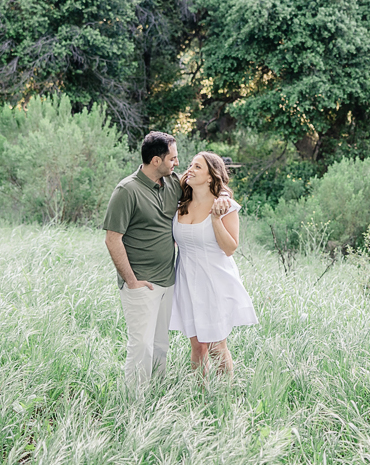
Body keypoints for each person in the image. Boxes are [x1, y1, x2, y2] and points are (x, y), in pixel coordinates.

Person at [103, 132, 228, 387]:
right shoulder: (126, 191)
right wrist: (131, 280)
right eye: (173, 158)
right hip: (140, 283)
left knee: (161, 344)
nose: (178, 164)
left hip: (169, 281)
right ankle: (134, 403)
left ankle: (157, 398)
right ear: (156, 160)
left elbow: (206, 188)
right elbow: (112, 239)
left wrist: (224, 198)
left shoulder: (172, 183)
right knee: (141, 346)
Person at [169, 151, 258, 377]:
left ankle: (225, 398)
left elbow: (230, 248)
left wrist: (215, 218)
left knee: (217, 347)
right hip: (187, 280)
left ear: (210, 177)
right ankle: (202, 398)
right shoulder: (179, 204)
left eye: (198, 166)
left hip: (214, 281)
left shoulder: (225, 206)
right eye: (190, 165)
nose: (190, 169)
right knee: (198, 348)